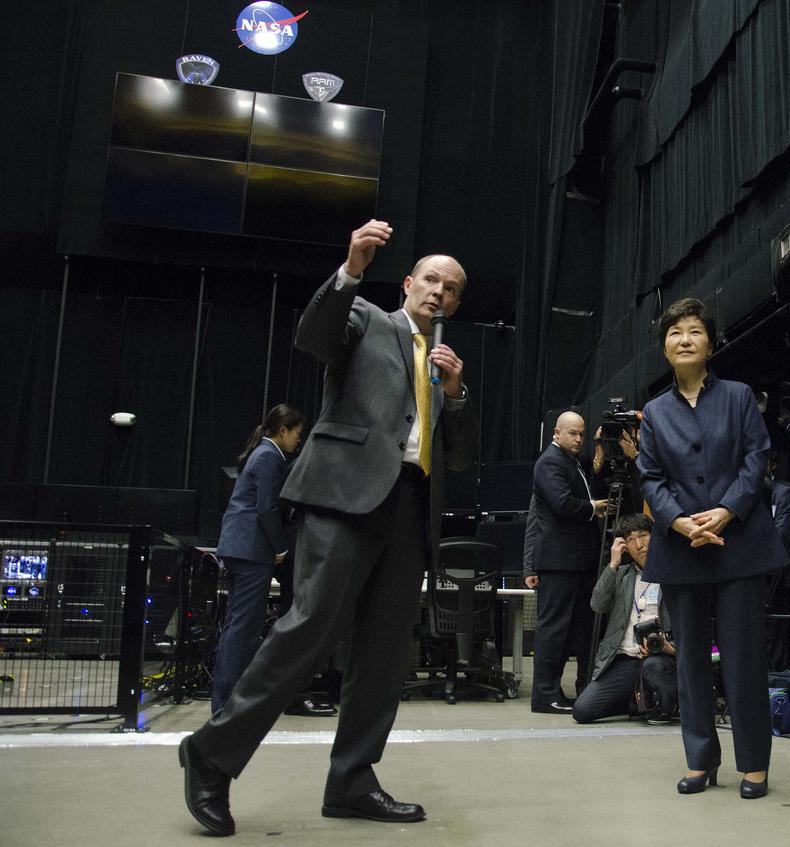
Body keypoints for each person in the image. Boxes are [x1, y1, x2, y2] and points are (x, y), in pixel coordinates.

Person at [177, 219, 479, 836]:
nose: (439, 293)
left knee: (385, 653)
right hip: (343, 498)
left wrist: (457, 393)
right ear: (407, 283)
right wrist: (350, 268)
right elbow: (313, 336)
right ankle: (210, 754)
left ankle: (351, 780)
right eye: (430, 279)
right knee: (309, 628)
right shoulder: (367, 318)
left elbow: (461, 458)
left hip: (410, 510)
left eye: (451, 288)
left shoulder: (446, 365)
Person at [636, 297, 787, 799]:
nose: (684, 339)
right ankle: (700, 759)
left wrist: (725, 511)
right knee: (690, 662)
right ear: (664, 347)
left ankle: (754, 763)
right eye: (675, 332)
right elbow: (650, 476)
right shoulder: (654, 412)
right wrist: (680, 522)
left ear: (710, 342)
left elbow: (756, 458)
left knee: (744, 659)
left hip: (738, 545)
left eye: (695, 331)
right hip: (681, 550)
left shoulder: (740, 396)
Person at [211, 404, 304, 716]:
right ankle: (226, 704)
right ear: (283, 431)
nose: (298, 440)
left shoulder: (260, 454)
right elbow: (267, 509)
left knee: (237, 627)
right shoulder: (269, 458)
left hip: (239, 548)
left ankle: (227, 699)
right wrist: (281, 547)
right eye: (297, 433)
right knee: (243, 629)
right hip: (252, 551)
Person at [524, 411, 609, 713]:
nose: (578, 439)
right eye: (572, 433)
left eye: (582, 434)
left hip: (573, 561)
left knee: (568, 630)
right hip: (560, 561)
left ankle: (552, 693)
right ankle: (545, 696)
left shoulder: (571, 463)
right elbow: (561, 503)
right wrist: (593, 508)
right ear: (556, 433)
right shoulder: (550, 462)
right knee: (554, 631)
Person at [572, 513, 678, 723]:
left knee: (654, 668)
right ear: (624, 546)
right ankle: (637, 701)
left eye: (643, 536)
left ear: (654, 536)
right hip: (625, 659)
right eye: (631, 540)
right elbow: (597, 604)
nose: (639, 545)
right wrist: (612, 564)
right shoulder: (620, 574)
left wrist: (669, 647)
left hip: (662, 657)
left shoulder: (673, 574)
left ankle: (665, 703)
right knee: (582, 711)